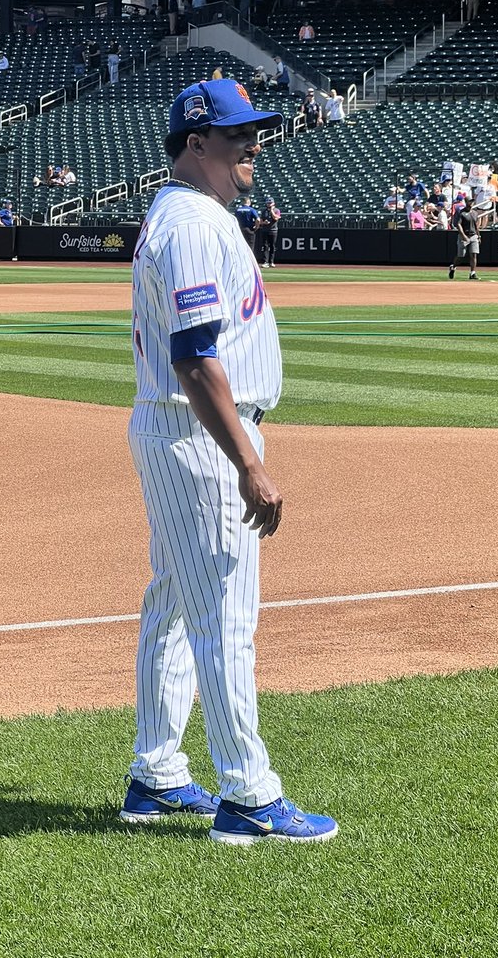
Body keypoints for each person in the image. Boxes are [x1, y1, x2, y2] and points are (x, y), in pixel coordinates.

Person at [121, 76, 338, 845]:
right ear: (195, 143)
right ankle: (249, 796)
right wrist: (247, 462)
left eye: (255, 130)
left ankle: (156, 774)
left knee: (177, 608)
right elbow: (194, 356)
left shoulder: (194, 215)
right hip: (201, 436)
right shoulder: (190, 225)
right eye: (238, 133)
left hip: (182, 431)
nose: (254, 143)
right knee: (223, 617)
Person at [449, 196, 480, 280]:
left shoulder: (475, 213)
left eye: (472, 201)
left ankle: (472, 273)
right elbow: (458, 224)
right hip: (464, 235)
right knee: (461, 256)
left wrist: (479, 235)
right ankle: (453, 266)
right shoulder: (461, 212)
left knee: (474, 254)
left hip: (473, 235)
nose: (471, 203)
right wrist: (463, 235)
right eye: (470, 201)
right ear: (466, 202)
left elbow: (476, 225)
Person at [258, 197, 281, 268]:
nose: (269, 204)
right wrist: (264, 223)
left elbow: (276, 218)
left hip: (273, 230)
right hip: (265, 230)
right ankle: (265, 261)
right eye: (268, 203)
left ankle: (271, 261)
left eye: (270, 203)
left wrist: (272, 211)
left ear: (273, 203)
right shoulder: (264, 211)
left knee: (272, 246)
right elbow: (260, 221)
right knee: (265, 246)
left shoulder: (277, 210)